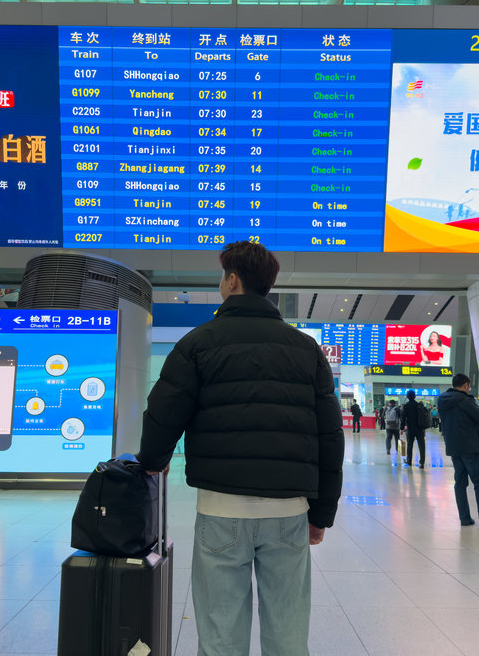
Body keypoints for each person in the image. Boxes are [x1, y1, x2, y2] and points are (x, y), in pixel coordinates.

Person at [136, 240, 344, 656]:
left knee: (220, 634)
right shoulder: (306, 349)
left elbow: (164, 412)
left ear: (232, 281)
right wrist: (321, 513)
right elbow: (329, 435)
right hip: (289, 512)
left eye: (222, 277)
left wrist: (152, 461)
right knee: (288, 634)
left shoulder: (198, 343)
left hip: (221, 509)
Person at [438, 374, 479, 528]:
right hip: (470, 447)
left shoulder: (442, 400)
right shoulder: (466, 400)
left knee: (460, 483)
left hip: (454, 447)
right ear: (466, 385)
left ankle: (465, 518)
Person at [400, 389, 426, 468]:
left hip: (410, 428)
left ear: (407, 397)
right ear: (415, 396)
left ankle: (409, 461)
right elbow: (423, 417)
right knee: (421, 445)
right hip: (420, 428)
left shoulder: (406, 406)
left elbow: (403, 418)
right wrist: (424, 429)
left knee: (410, 444)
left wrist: (401, 428)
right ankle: (422, 462)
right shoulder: (419, 405)